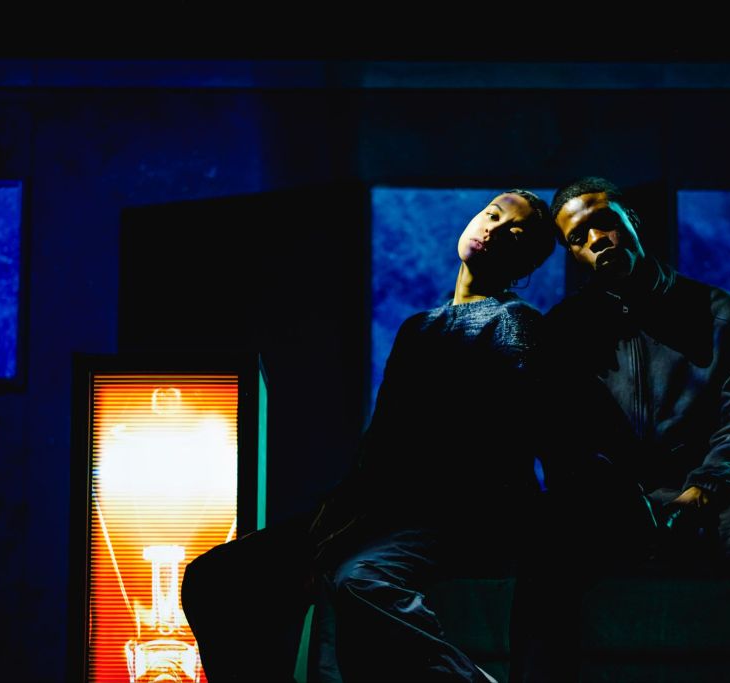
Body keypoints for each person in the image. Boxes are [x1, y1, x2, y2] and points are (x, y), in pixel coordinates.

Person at [182, 189, 558, 682]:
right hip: (374, 510)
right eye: (492, 214)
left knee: (359, 580)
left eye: (515, 231)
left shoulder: (515, 322)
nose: (494, 228)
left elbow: (518, 432)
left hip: (458, 514)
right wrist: (334, 522)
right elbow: (380, 444)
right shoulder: (417, 328)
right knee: (212, 578)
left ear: (525, 262)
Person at [509, 177, 730, 682]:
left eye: (604, 223)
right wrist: (611, 498)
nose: (596, 240)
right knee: (543, 555)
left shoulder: (723, 315)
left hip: (711, 497)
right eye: (577, 238)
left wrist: (702, 490)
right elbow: (562, 441)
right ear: (571, 253)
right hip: (605, 506)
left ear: (632, 221)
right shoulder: (564, 330)